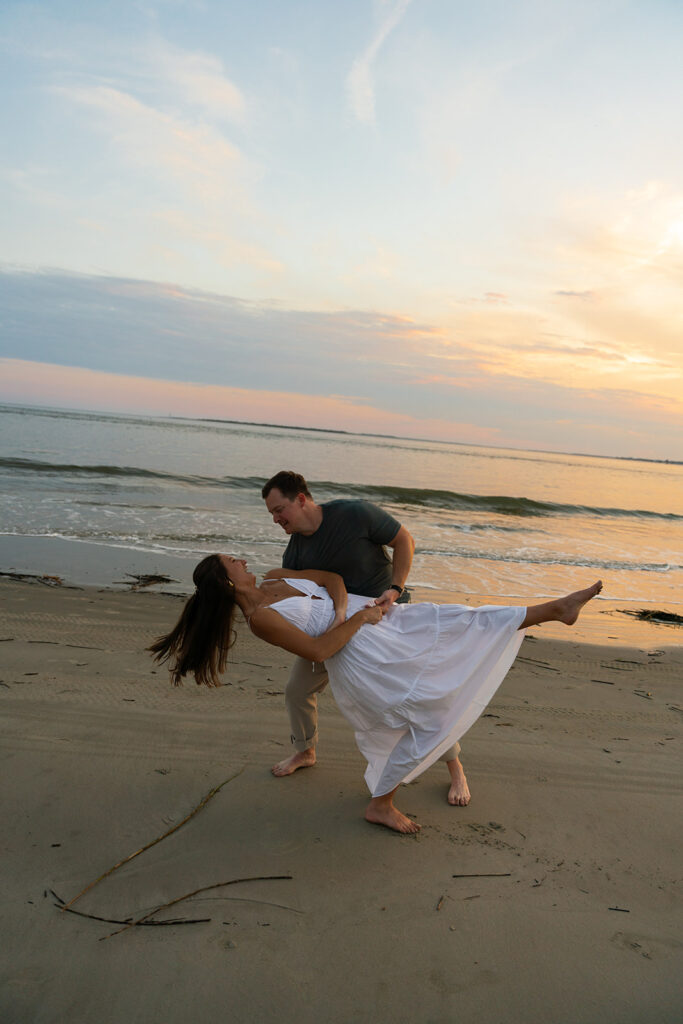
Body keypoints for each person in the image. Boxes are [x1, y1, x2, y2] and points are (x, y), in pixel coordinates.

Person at [149, 554, 603, 834]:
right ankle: (380, 804)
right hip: (363, 656)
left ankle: (554, 609)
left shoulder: (273, 575)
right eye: (233, 562)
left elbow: (329, 578)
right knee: (418, 712)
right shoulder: (262, 619)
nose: (242, 561)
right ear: (227, 582)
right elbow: (319, 649)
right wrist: (357, 623)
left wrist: (354, 608)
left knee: (455, 619)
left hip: (374, 618)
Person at [261, 470, 470, 806]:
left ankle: (455, 766)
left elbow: (404, 540)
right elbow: (305, 596)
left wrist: (396, 588)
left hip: (385, 620)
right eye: (271, 514)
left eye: (278, 510)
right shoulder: (295, 554)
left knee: (410, 697)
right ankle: (305, 751)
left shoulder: (353, 514)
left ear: (301, 499)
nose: (276, 519)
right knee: (297, 689)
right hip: (340, 629)